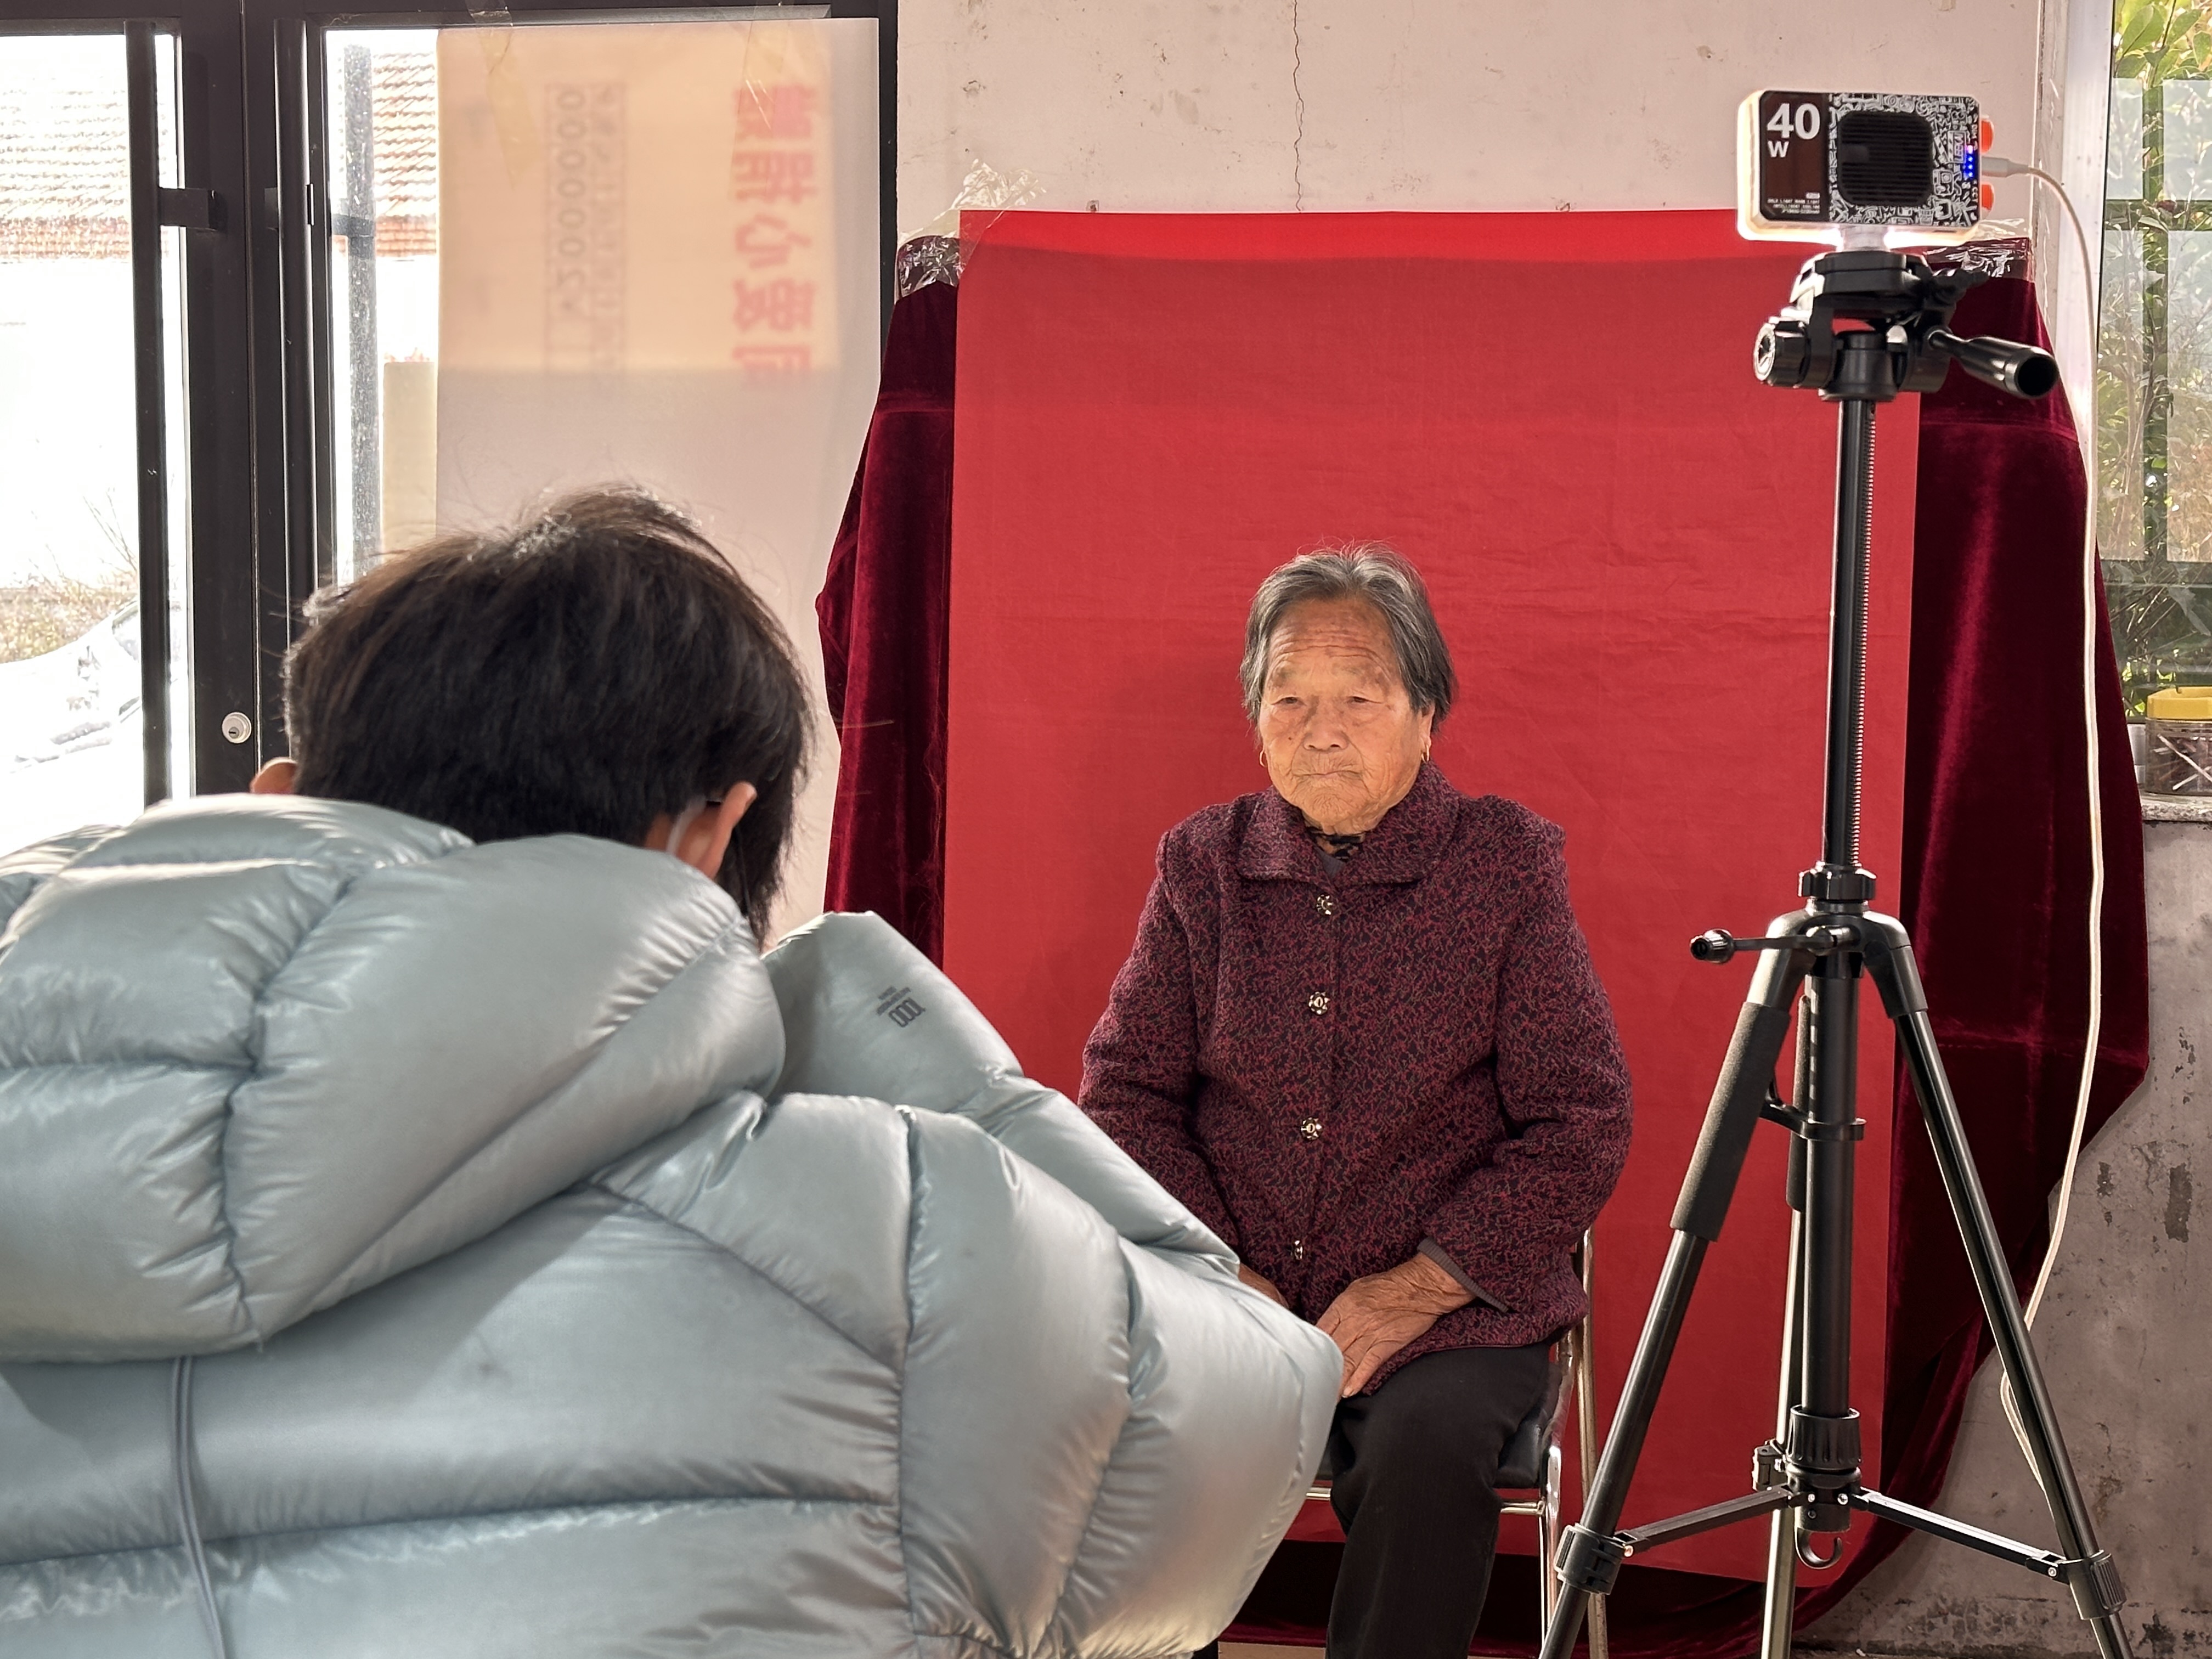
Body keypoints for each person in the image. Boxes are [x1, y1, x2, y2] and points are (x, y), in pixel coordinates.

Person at [0, 488, 1340, 1658]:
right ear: (709, 838)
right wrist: (873, 1022)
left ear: (288, 794)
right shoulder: (896, 1243)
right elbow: (1264, 1400)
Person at [1080, 545, 1634, 1659]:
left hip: (1450, 1314)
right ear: (1257, 720)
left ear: (1426, 715)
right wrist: (1226, 1277)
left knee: (1426, 1450)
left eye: (1360, 699)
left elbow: (1581, 1118)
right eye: (1290, 699)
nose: (1322, 731)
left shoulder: (1504, 867)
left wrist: (1417, 1288)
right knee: (1125, 1429)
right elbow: (1125, 1097)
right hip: (1229, 1298)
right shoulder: (1204, 866)